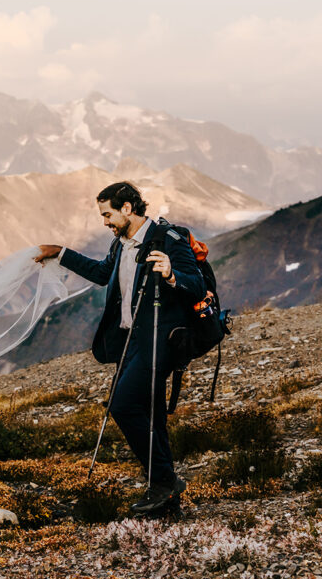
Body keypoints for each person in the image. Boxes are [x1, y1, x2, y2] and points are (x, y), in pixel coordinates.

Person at [34, 182, 206, 514]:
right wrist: (61, 252)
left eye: (107, 214)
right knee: (150, 414)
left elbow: (195, 283)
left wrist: (171, 275)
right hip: (130, 341)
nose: (105, 222)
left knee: (124, 406)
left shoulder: (167, 240)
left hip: (159, 340)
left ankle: (164, 482)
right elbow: (102, 274)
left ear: (127, 208)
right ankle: (166, 494)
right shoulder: (121, 244)